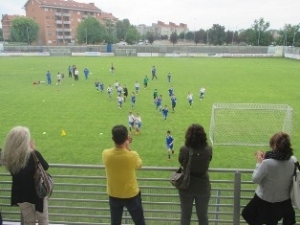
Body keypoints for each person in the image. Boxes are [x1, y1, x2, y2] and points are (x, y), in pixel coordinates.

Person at [242, 132, 296, 225]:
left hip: (264, 201)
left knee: (247, 214)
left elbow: (255, 179)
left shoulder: (267, 164)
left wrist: (259, 162)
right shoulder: (293, 160)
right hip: (283, 203)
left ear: (275, 145)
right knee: (271, 222)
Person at [1, 126, 50, 225]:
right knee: (43, 220)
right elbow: (45, 166)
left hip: (20, 195)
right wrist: (33, 149)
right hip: (36, 194)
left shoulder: (8, 157)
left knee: (28, 221)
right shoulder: (33, 154)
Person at [102, 125, 145, 225]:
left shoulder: (105, 154)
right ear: (126, 138)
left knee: (115, 222)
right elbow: (139, 164)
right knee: (139, 221)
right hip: (131, 195)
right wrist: (128, 148)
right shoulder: (132, 155)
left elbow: (114, 152)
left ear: (112, 139)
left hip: (114, 194)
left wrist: (123, 145)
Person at [178, 123, 212, 225]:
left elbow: (181, 161)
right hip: (203, 187)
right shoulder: (208, 149)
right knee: (203, 217)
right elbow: (208, 160)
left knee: (185, 216)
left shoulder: (184, 149)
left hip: (186, 186)